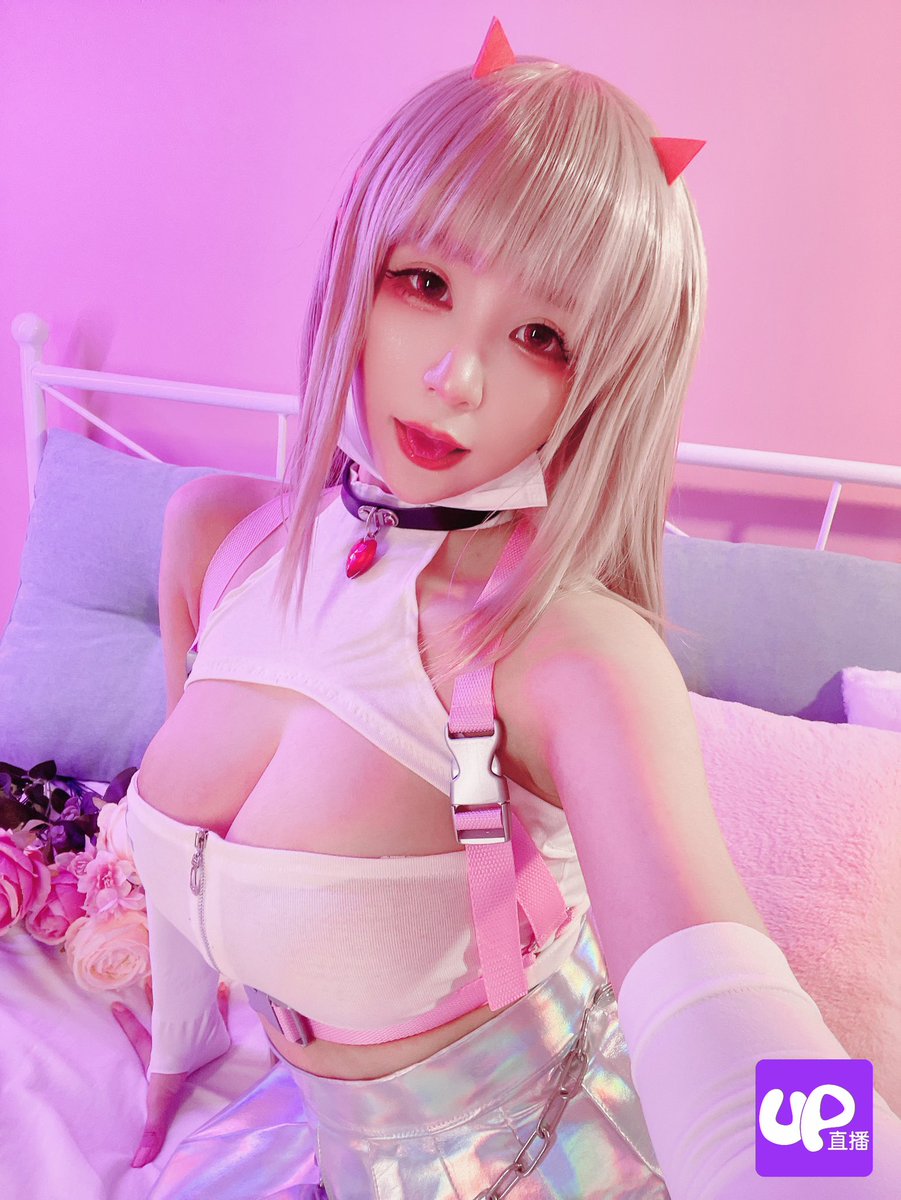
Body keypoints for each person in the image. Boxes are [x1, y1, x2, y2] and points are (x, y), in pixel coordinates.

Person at [112, 17, 901, 1199]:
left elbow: (728, 1013)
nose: (456, 376)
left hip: (554, 1157)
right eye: (425, 282)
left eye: (541, 336)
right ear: (358, 263)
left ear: (603, 385)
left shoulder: (573, 653)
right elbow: (178, 874)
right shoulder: (219, 537)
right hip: (313, 1126)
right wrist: (176, 1060)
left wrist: (839, 1167)